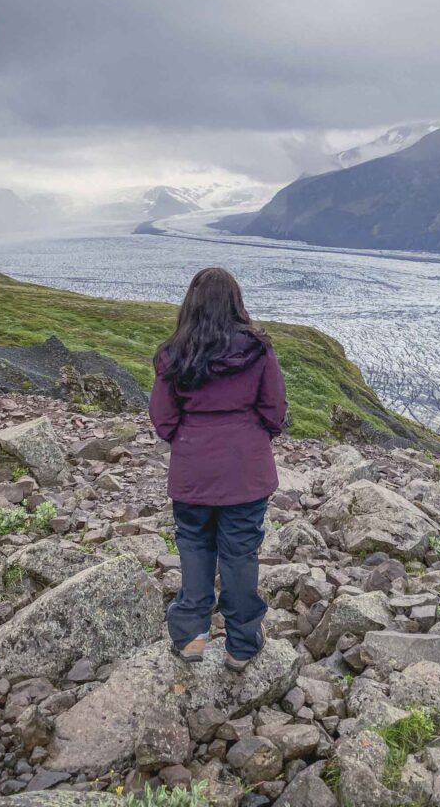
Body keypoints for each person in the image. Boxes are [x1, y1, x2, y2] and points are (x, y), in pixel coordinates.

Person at [149, 266, 287, 669]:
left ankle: (191, 642)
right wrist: (248, 439)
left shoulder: (174, 352)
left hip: (193, 471)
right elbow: (274, 411)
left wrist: (191, 440)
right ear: (235, 302)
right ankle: (242, 645)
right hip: (246, 472)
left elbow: (163, 418)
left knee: (193, 548)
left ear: (191, 303)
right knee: (240, 554)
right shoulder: (259, 351)